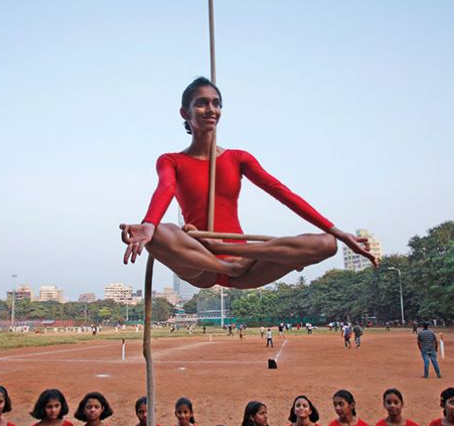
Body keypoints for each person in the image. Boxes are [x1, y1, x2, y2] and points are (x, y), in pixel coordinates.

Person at [119, 77, 377, 290]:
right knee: (158, 232)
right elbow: (165, 188)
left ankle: (227, 255)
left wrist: (338, 232)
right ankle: (223, 263)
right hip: (200, 263)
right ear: (185, 113)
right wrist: (149, 224)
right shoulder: (171, 160)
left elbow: (282, 193)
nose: (211, 109)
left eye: (216, 103)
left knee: (327, 243)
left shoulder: (237, 158)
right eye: (202, 103)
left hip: (246, 266)